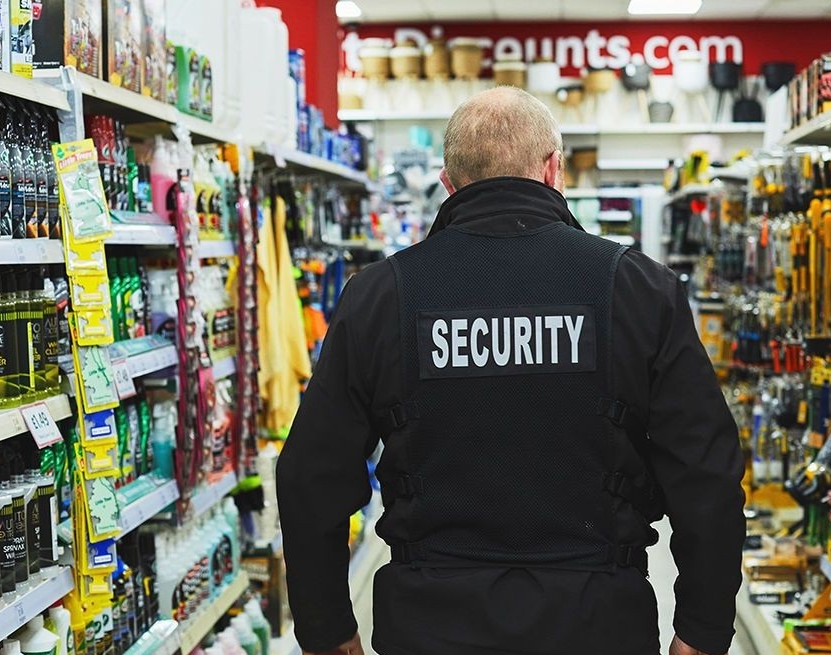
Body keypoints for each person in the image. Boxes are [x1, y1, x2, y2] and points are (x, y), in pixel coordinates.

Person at [277, 87, 746, 655]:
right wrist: (703, 629)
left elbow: (310, 477)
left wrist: (326, 629)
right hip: (598, 622)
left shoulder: (379, 295)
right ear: (554, 170)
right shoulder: (640, 288)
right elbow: (707, 474)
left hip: (430, 624)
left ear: (447, 183)